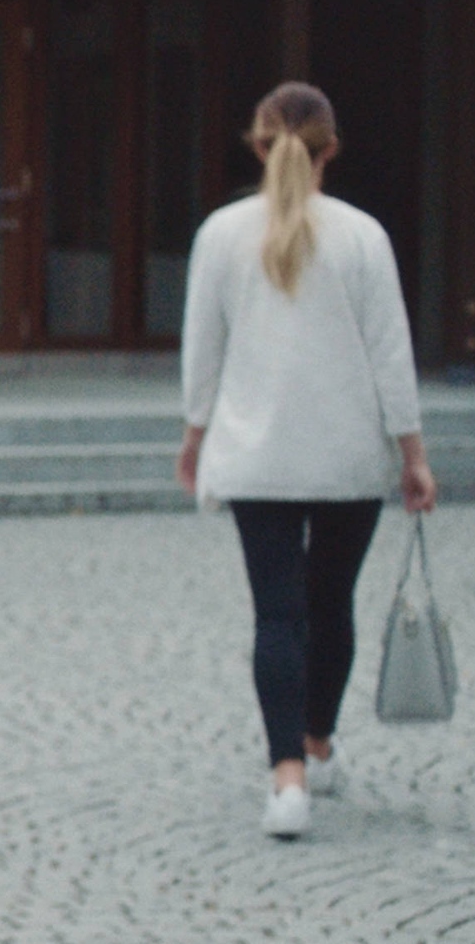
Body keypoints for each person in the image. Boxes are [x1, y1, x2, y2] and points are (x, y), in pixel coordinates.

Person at [178, 81, 437, 840]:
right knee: (331, 607)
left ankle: (284, 776)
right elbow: (392, 354)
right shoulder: (362, 237)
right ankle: (318, 743)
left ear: (256, 145)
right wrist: (413, 454)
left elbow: (205, 349)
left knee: (278, 614)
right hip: (347, 452)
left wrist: (195, 437)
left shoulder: (222, 234)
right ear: (331, 151)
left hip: (257, 450)